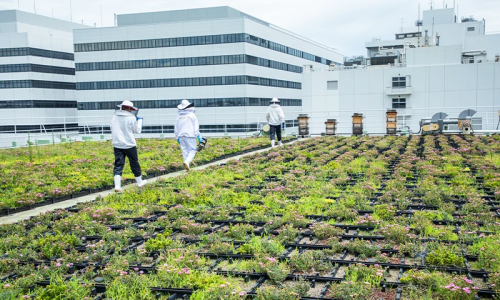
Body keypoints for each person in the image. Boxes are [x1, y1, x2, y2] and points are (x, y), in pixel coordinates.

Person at [110, 100, 147, 193]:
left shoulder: (114, 116)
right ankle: (139, 182)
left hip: (117, 144)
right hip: (129, 144)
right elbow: (137, 130)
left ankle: (117, 186)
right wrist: (140, 121)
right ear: (129, 108)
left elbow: (112, 127)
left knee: (118, 164)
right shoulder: (131, 117)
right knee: (134, 162)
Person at [175, 99, 203, 171]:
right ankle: (187, 162)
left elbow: (176, 127)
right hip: (190, 135)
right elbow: (195, 127)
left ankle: (187, 167)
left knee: (185, 151)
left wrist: (177, 137)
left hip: (181, 136)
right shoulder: (192, 115)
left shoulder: (178, 116)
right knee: (193, 150)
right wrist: (199, 136)